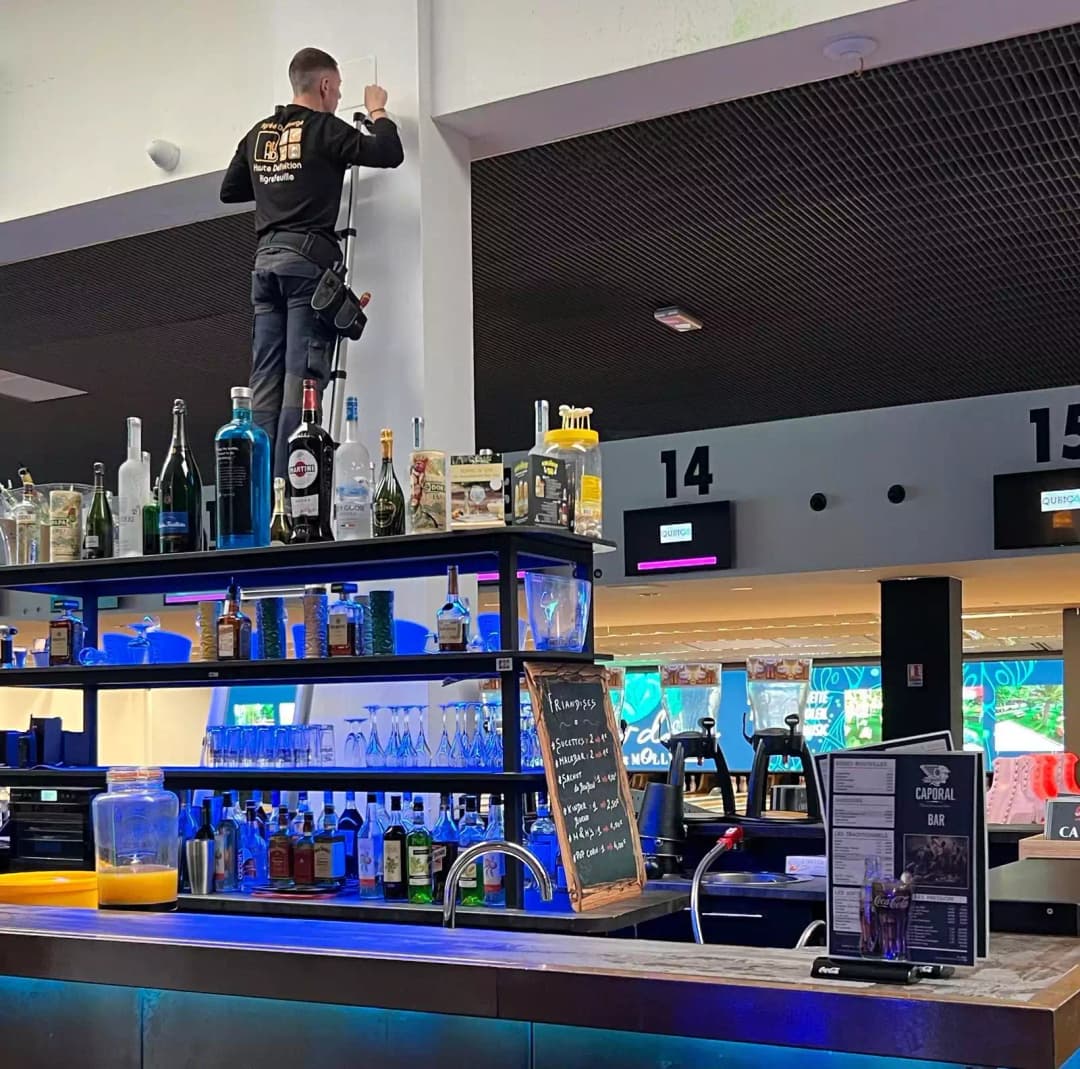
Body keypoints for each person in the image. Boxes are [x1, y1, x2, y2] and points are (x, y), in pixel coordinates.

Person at [220, 47, 404, 476]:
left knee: (263, 380)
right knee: (299, 382)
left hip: (264, 266)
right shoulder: (325, 130)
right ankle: (288, 493)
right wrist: (378, 109)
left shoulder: (258, 134)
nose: (338, 98)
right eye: (337, 91)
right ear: (324, 86)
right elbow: (388, 151)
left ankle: (257, 491)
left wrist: (278, 186)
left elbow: (230, 190)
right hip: (306, 267)